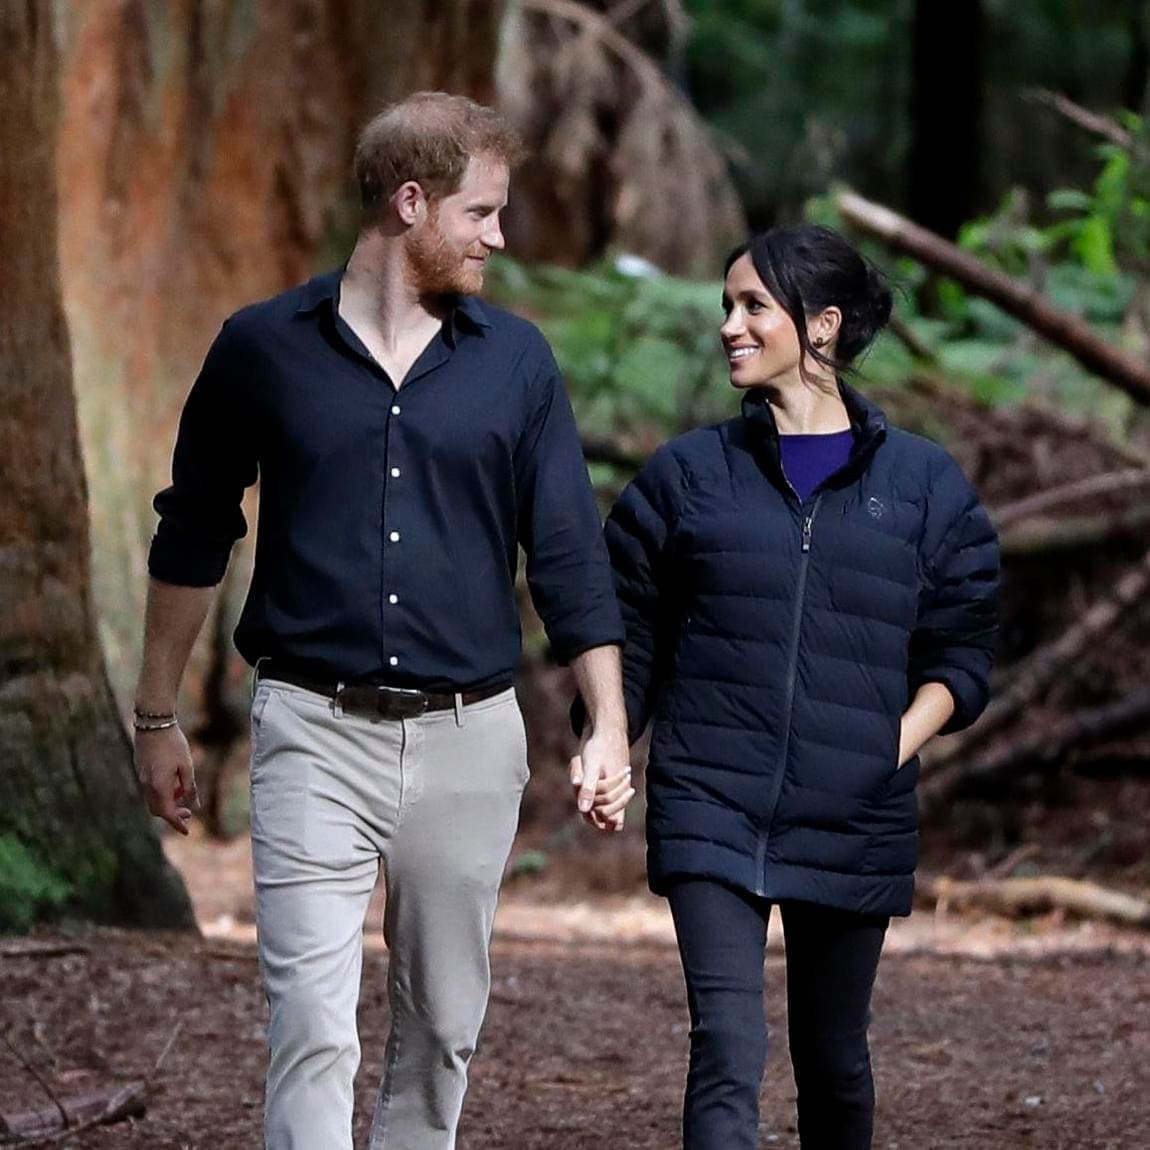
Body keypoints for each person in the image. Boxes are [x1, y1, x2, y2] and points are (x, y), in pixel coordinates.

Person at [133, 91, 634, 1150]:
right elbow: (192, 532)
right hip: (310, 729)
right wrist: (154, 715)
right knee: (313, 1024)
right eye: (482, 214)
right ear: (412, 202)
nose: (499, 238)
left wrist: (607, 723)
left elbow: (568, 554)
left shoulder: (516, 364)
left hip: (469, 737)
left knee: (441, 1028)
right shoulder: (262, 348)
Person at [589, 225, 999, 1149]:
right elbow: (627, 622)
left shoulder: (925, 485)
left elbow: (963, 651)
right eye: (726, 307)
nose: (730, 326)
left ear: (822, 327)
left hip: (856, 810)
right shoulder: (689, 476)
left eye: (752, 307)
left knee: (835, 1059)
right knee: (727, 1049)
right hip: (711, 799)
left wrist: (887, 746)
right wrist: (610, 735)